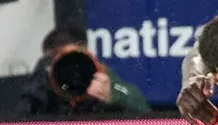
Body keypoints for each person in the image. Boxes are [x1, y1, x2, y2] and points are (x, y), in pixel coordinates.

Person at [14, 26, 150, 117]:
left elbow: (144, 112)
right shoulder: (41, 85)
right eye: (61, 63)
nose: (71, 70)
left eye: (75, 61)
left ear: (88, 55)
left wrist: (112, 96)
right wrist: (39, 88)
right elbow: (16, 124)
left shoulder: (100, 76)